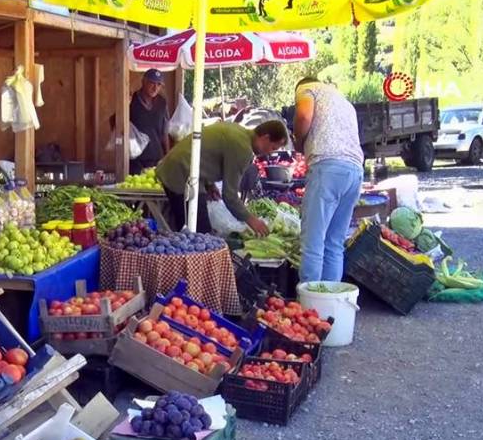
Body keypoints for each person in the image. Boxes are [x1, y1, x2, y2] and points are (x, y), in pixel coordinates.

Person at [156, 120, 288, 234]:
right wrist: (251, 220)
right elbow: (230, 195)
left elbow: (206, 155)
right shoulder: (243, 149)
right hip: (180, 174)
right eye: (272, 147)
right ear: (265, 137)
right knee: (199, 235)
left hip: (180, 170)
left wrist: (210, 185)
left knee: (195, 232)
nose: (270, 153)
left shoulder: (238, 130)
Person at [292, 77, 365, 282]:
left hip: (328, 167)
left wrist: (298, 139)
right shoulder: (343, 101)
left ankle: (308, 307)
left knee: (312, 243)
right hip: (355, 171)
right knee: (334, 244)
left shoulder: (307, 88)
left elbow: (304, 116)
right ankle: (330, 302)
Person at [128, 68, 171, 174]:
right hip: (136, 160)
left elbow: (165, 132)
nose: (155, 88)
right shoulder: (131, 100)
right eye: (152, 83)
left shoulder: (162, 103)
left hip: (157, 158)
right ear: (143, 82)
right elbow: (115, 122)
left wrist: (168, 156)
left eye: (159, 84)